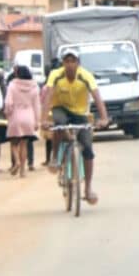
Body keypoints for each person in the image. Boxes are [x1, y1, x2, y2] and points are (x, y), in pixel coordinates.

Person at [41, 50, 108, 205]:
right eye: (67, 61)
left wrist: (104, 118)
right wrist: (44, 119)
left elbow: (97, 97)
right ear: (62, 63)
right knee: (59, 124)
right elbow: (48, 96)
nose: (70, 64)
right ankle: (55, 159)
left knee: (88, 148)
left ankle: (88, 188)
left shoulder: (85, 76)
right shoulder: (55, 75)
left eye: (73, 61)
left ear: (78, 63)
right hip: (60, 108)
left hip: (79, 112)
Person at [5, 65, 40, 179]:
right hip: (29, 116)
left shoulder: (12, 85)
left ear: (17, 74)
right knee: (24, 144)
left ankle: (17, 162)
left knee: (14, 143)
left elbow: (8, 103)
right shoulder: (34, 87)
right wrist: (37, 121)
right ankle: (23, 171)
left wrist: (8, 113)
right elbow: (37, 105)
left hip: (15, 115)